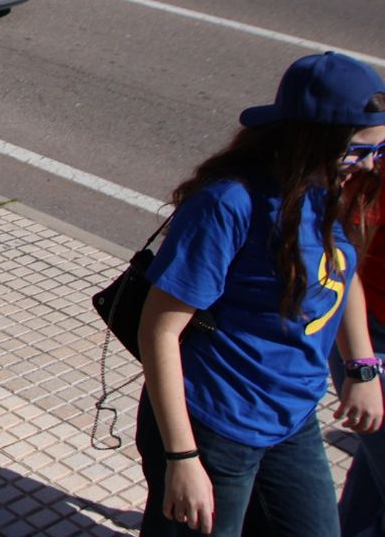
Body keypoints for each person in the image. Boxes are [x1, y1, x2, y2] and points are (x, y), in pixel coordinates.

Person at [136, 52, 385, 537]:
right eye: (359, 152)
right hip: (215, 425)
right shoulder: (229, 204)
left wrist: (362, 368)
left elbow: (343, 270)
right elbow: (159, 332)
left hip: (290, 419)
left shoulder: (330, 188)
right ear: (313, 139)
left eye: (382, 150)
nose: (371, 165)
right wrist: (182, 459)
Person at [332, 138, 385, 537]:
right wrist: (362, 367)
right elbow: (344, 265)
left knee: (373, 473)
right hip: (370, 337)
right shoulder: (368, 173)